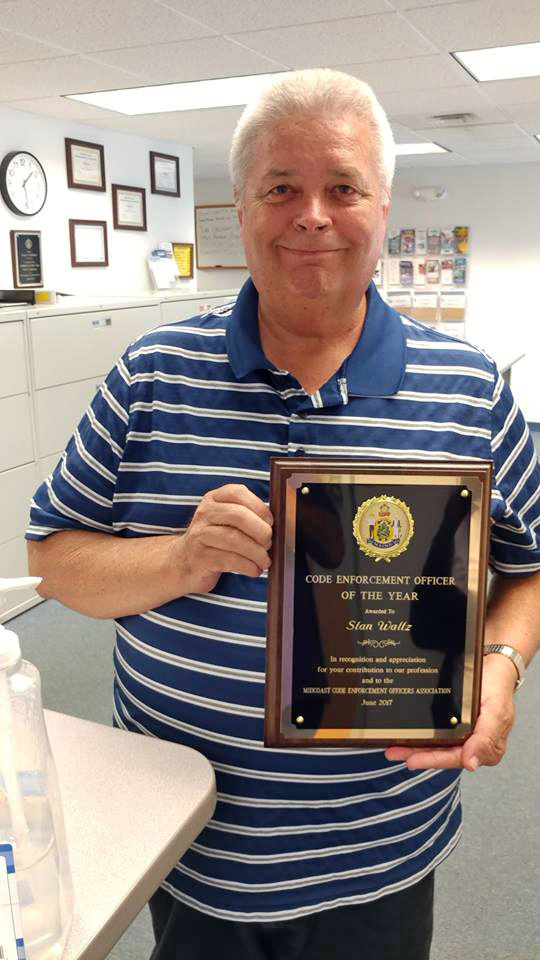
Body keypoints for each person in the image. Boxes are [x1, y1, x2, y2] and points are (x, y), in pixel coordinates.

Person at [26, 69, 540, 960]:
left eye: (342, 187)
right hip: (191, 838)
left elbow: (530, 568)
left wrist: (499, 666)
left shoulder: (468, 387)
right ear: (243, 203)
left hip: (381, 848)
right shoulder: (152, 373)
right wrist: (179, 558)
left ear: (382, 205)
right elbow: (53, 558)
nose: (312, 215)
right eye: (281, 187)